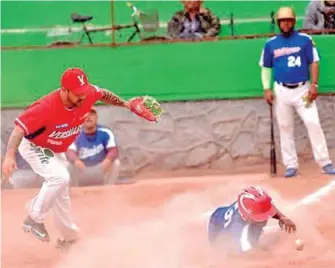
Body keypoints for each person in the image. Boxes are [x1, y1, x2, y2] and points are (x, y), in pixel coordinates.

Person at [1, 67, 153, 249]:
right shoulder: (45, 107)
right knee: (60, 177)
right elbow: (19, 129)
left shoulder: (87, 94)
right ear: (64, 90)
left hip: (56, 149)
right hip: (35, 146)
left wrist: (126, 104)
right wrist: (10, 155)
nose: (83, 97)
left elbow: (103, 94)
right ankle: (33, 218)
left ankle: (69, 238)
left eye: (84, 92)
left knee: (61, 191)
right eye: (77, 93)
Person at [259, 6, 335, 177]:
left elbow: (314, 62)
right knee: (285, 127)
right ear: (278, 23)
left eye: (288, 20)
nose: (285, 24)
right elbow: (265, 67)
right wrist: (266, 88)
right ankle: (291, 165)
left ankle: (325, 162)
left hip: (303, 89)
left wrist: (314, 85)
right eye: (282, 21)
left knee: (313, 123)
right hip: (281, 90)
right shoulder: (271, 44)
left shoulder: (305, 40)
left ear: (293, 21)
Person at [208, 186, 296, 254]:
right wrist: (265, 254)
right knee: (226, 251)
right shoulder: (238, 228)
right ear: (247, 218)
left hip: (226, 215)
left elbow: (266, 207)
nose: (265, 220)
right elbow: (244, 253)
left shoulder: (248, 207)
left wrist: (282, 217)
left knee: (257, 238)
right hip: (216, 227)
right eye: (260, 217)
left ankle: (255, 241)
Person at [66, 107, 121, 187]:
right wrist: (76, 160)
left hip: (100, 168)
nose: (88, 117)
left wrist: (108, 159)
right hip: (82, 169)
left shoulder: (105, 132)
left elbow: (113, 150)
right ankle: (76, 191)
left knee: (116, 163)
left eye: (91, 114)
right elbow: (70, 151)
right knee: (68, 165)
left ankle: (108, 189)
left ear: (96, 118)